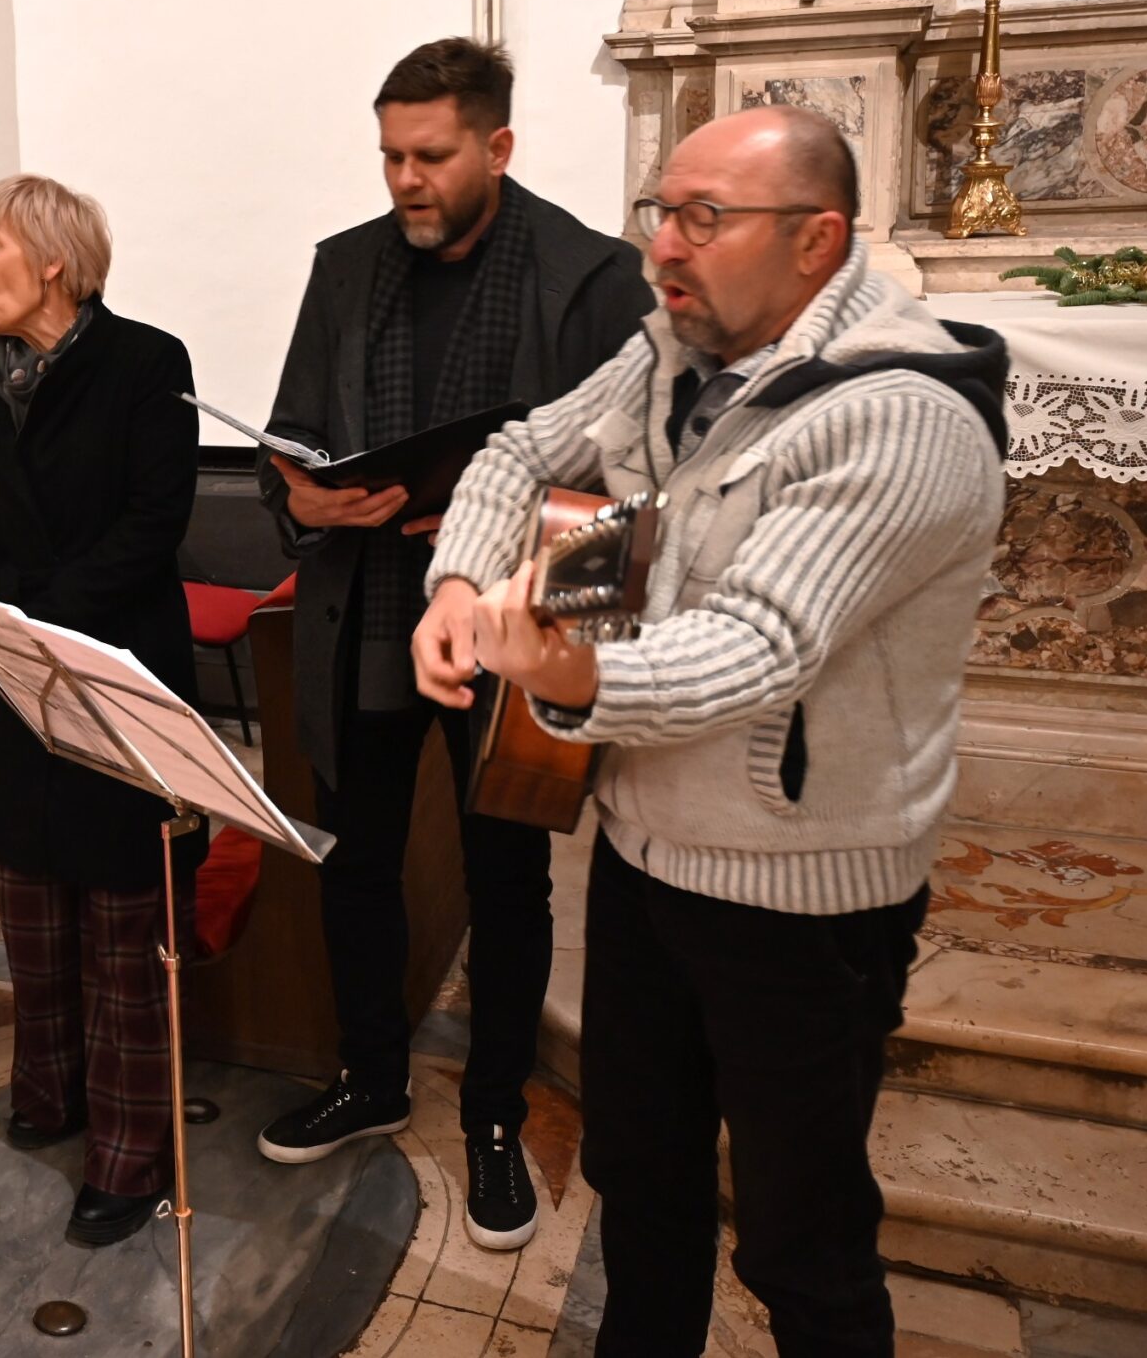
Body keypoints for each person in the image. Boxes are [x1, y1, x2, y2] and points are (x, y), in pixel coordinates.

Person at [418, 107, 1007, 1354]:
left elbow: (758, 643)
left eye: (702, 217)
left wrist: (568, 673)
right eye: (660, 210)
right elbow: (521, 451)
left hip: (798, 896)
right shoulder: (670, 350)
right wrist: (460, 585)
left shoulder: (899, 416)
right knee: (640, 1182)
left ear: (815, 240)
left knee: (801, 1240)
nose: (661, 248)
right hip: (644, 858)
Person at [253, 39, 652, 1250]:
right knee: (356, 861)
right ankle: (371, 1074)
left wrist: (500, 542)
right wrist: (304, 498)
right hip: (368, 609)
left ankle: (491, 1114)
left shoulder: (591, 277)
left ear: (498, 146)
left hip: (515, 625)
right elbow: (290, 435)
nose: (405, 179)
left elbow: (625, 484)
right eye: (390, 155)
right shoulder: (345, 266)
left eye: (430, 155)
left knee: (508, 879)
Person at [0, 173, 206, 1246]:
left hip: (115, 667)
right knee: (32, 901)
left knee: (122, 920)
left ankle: (131, 1152)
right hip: (16, 664)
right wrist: (9, 620)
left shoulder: (147, 361)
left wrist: (44, 616)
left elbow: (154, 520)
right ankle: (49, 1092)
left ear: (52, 260)